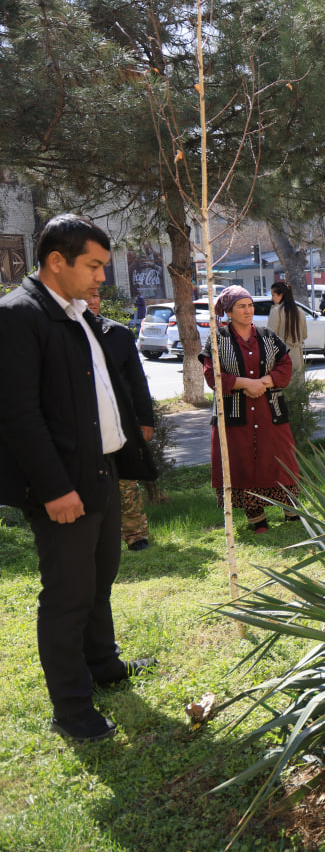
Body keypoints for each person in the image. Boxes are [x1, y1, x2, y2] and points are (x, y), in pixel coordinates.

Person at [0, 214, 158, 744]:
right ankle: (71, 708)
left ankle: (103, 664)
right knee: (67, 596)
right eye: (92, 266)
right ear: (56, 261)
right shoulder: (18, 316)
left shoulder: (74, 315)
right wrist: (53, 489)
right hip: (63, 485)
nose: (100, 278)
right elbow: (18, 415)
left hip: (101, 470)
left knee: (99, 579)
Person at [200, 285, 300, 533]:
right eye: (241, 307)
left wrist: (263, 383)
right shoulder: (218, 339)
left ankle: (292, 513)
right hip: (235, 416)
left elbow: (285, 366)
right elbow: (212, 375)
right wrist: (246, 384)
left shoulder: (268, 336)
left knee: (280, 460)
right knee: (241, 463)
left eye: (250, 305)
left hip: (270, 412)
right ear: (229, 312)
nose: (248, 311)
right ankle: (257, 518)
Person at [87, 291, 155, 552]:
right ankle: (95, 537)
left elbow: (137, 380)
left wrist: (145, 420)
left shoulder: (118, 333)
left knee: (126, 481)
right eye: (85, 296)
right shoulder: (62, 335)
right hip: (82, 424)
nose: (91, 301)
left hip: (119, 421)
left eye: (95, 296)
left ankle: (136, 535)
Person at [268, 281, 308, 383]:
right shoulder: (301, 312)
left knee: (283, 387)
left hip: (281, 356)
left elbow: (270, 336)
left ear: (281, 295)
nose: (272, 298)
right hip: (297, 356)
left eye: (273, 295)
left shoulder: (276, 311)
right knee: (297, 386)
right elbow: (304, 335)